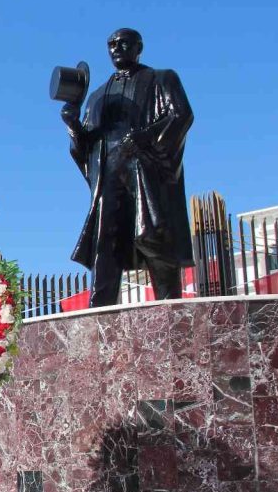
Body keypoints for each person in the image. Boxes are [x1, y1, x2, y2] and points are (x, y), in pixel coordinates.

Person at [61, 28, 194, 307]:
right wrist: (72, 124)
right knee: (105, 245)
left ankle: (171, 311)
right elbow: (85, 147)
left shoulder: (161, 78)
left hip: (144, 170)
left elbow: (181, 115)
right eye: (111, 44)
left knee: (156, 239)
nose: (116, 48)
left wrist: (146, 137)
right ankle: (98, 317)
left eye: (123, 43)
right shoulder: (97, 96)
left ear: (139, 47)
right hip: (108, 174)